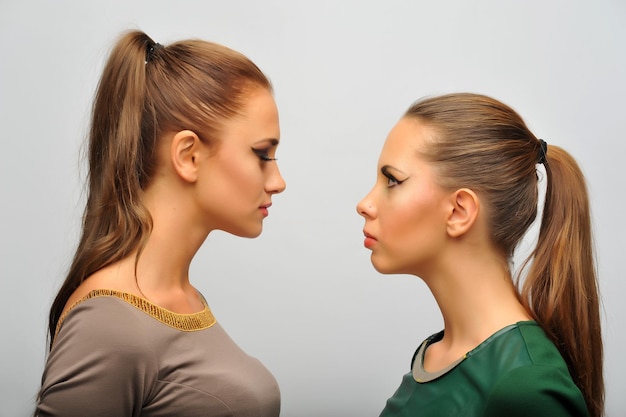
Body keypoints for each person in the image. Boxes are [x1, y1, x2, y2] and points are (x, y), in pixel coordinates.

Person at [35, 30, 285, 417]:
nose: (278, 181)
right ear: (188, 155)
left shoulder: (183, 299)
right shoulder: (109, 325)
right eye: (262, 154)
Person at [357, 93, 603, 417]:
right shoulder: (435, 355)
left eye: (392, 180)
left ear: (459, 211)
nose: (365, 204)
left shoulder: (526, 386)